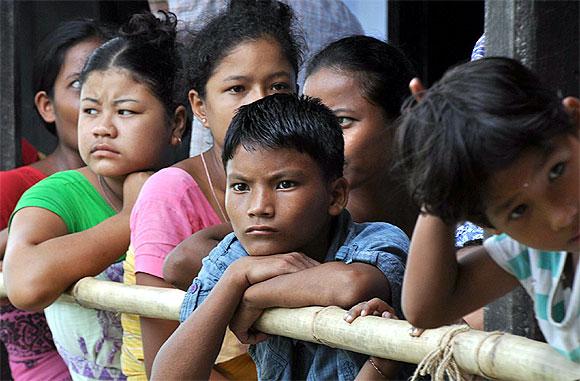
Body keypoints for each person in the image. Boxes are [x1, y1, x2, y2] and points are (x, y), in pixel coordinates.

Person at [151, 94, 409, 380]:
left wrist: (250, 296)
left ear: (335, 195)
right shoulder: (237, 257)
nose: (259, 207)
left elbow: (351, 285)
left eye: (284, 184)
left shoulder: (377, 239)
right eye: (240, 186)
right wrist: (237, 276)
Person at [3, 11, 186, 380]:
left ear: (177, 123)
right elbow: (25, 285)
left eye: (126, 111)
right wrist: (130, 219)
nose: (103, 127)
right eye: (90, 110)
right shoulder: (58, 194)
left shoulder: (189, 190)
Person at [126, 1, 302, 378]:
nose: (259, 101)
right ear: (199, 106)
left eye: (278, 86)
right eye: (237, 88)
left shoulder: (313, 184)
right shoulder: (172, 194)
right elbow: (163, 356)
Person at [396, 57, 579, 363]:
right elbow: (427, 308)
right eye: (518, 211)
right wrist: (440, 166)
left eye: (556, 171)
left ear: (575, 121)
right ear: (493, 225)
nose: (561, 216)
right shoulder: (541, 255)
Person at [0, 19, 111, 381]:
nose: (100, 99)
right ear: (47, 106)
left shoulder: (153, 187)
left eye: (112, 79)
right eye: (81, 84)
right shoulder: (16, 188)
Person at [303, 35, 418, 237]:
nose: (319, 140)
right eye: (312, 121)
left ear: (403, 120)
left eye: (342, 121)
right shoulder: (305, 233)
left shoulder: (462, 213)